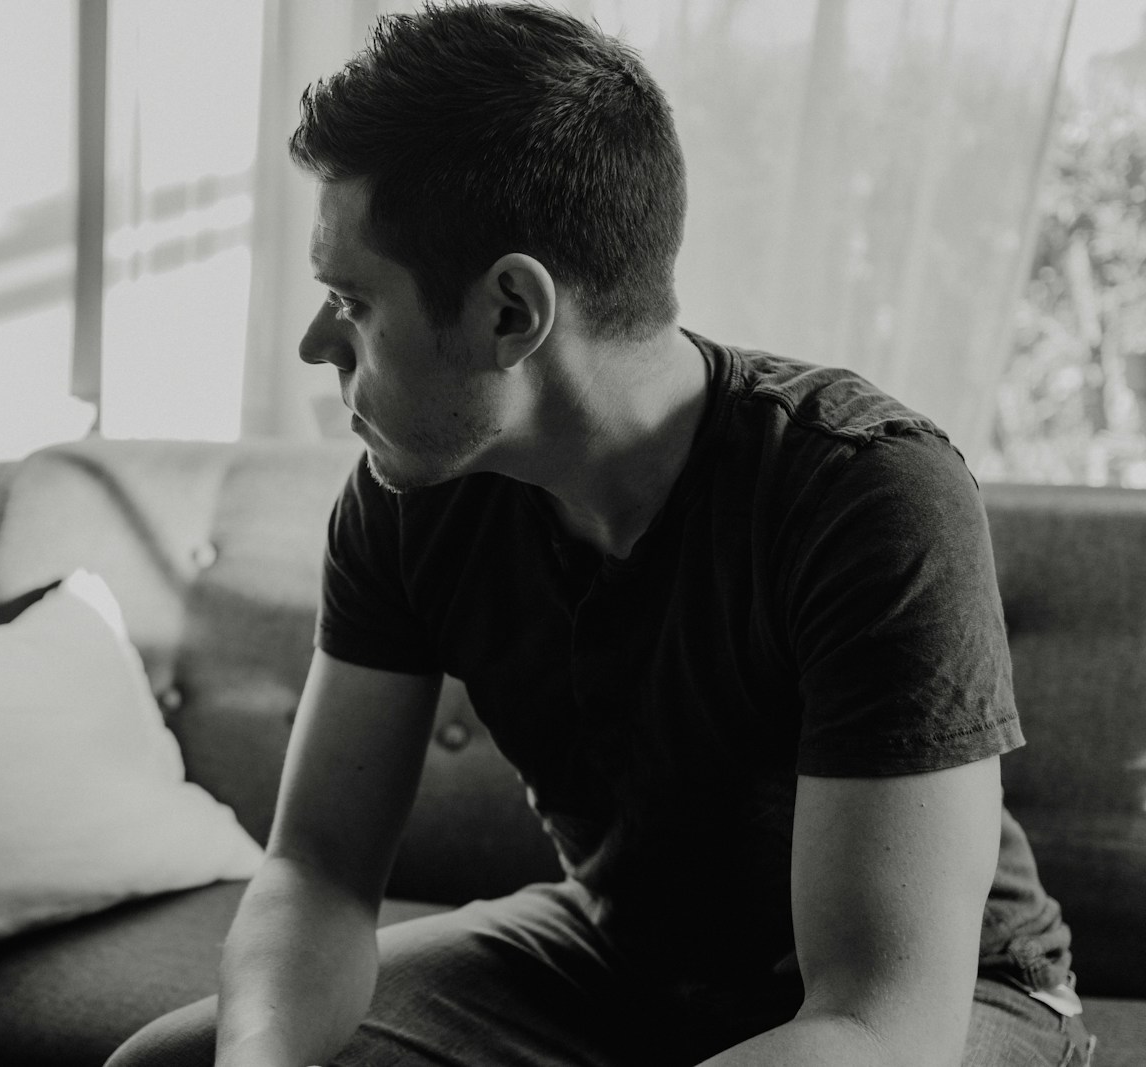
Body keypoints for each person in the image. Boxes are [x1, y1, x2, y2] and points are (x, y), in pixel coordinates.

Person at [107, 3, 1091, 1065]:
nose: (314, 343)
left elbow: (879, 1019)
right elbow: (318, 871)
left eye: (351, 298)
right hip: (619, 956)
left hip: (946, 1006)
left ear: (510, 312)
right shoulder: (406, 494)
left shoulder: (868, 493)